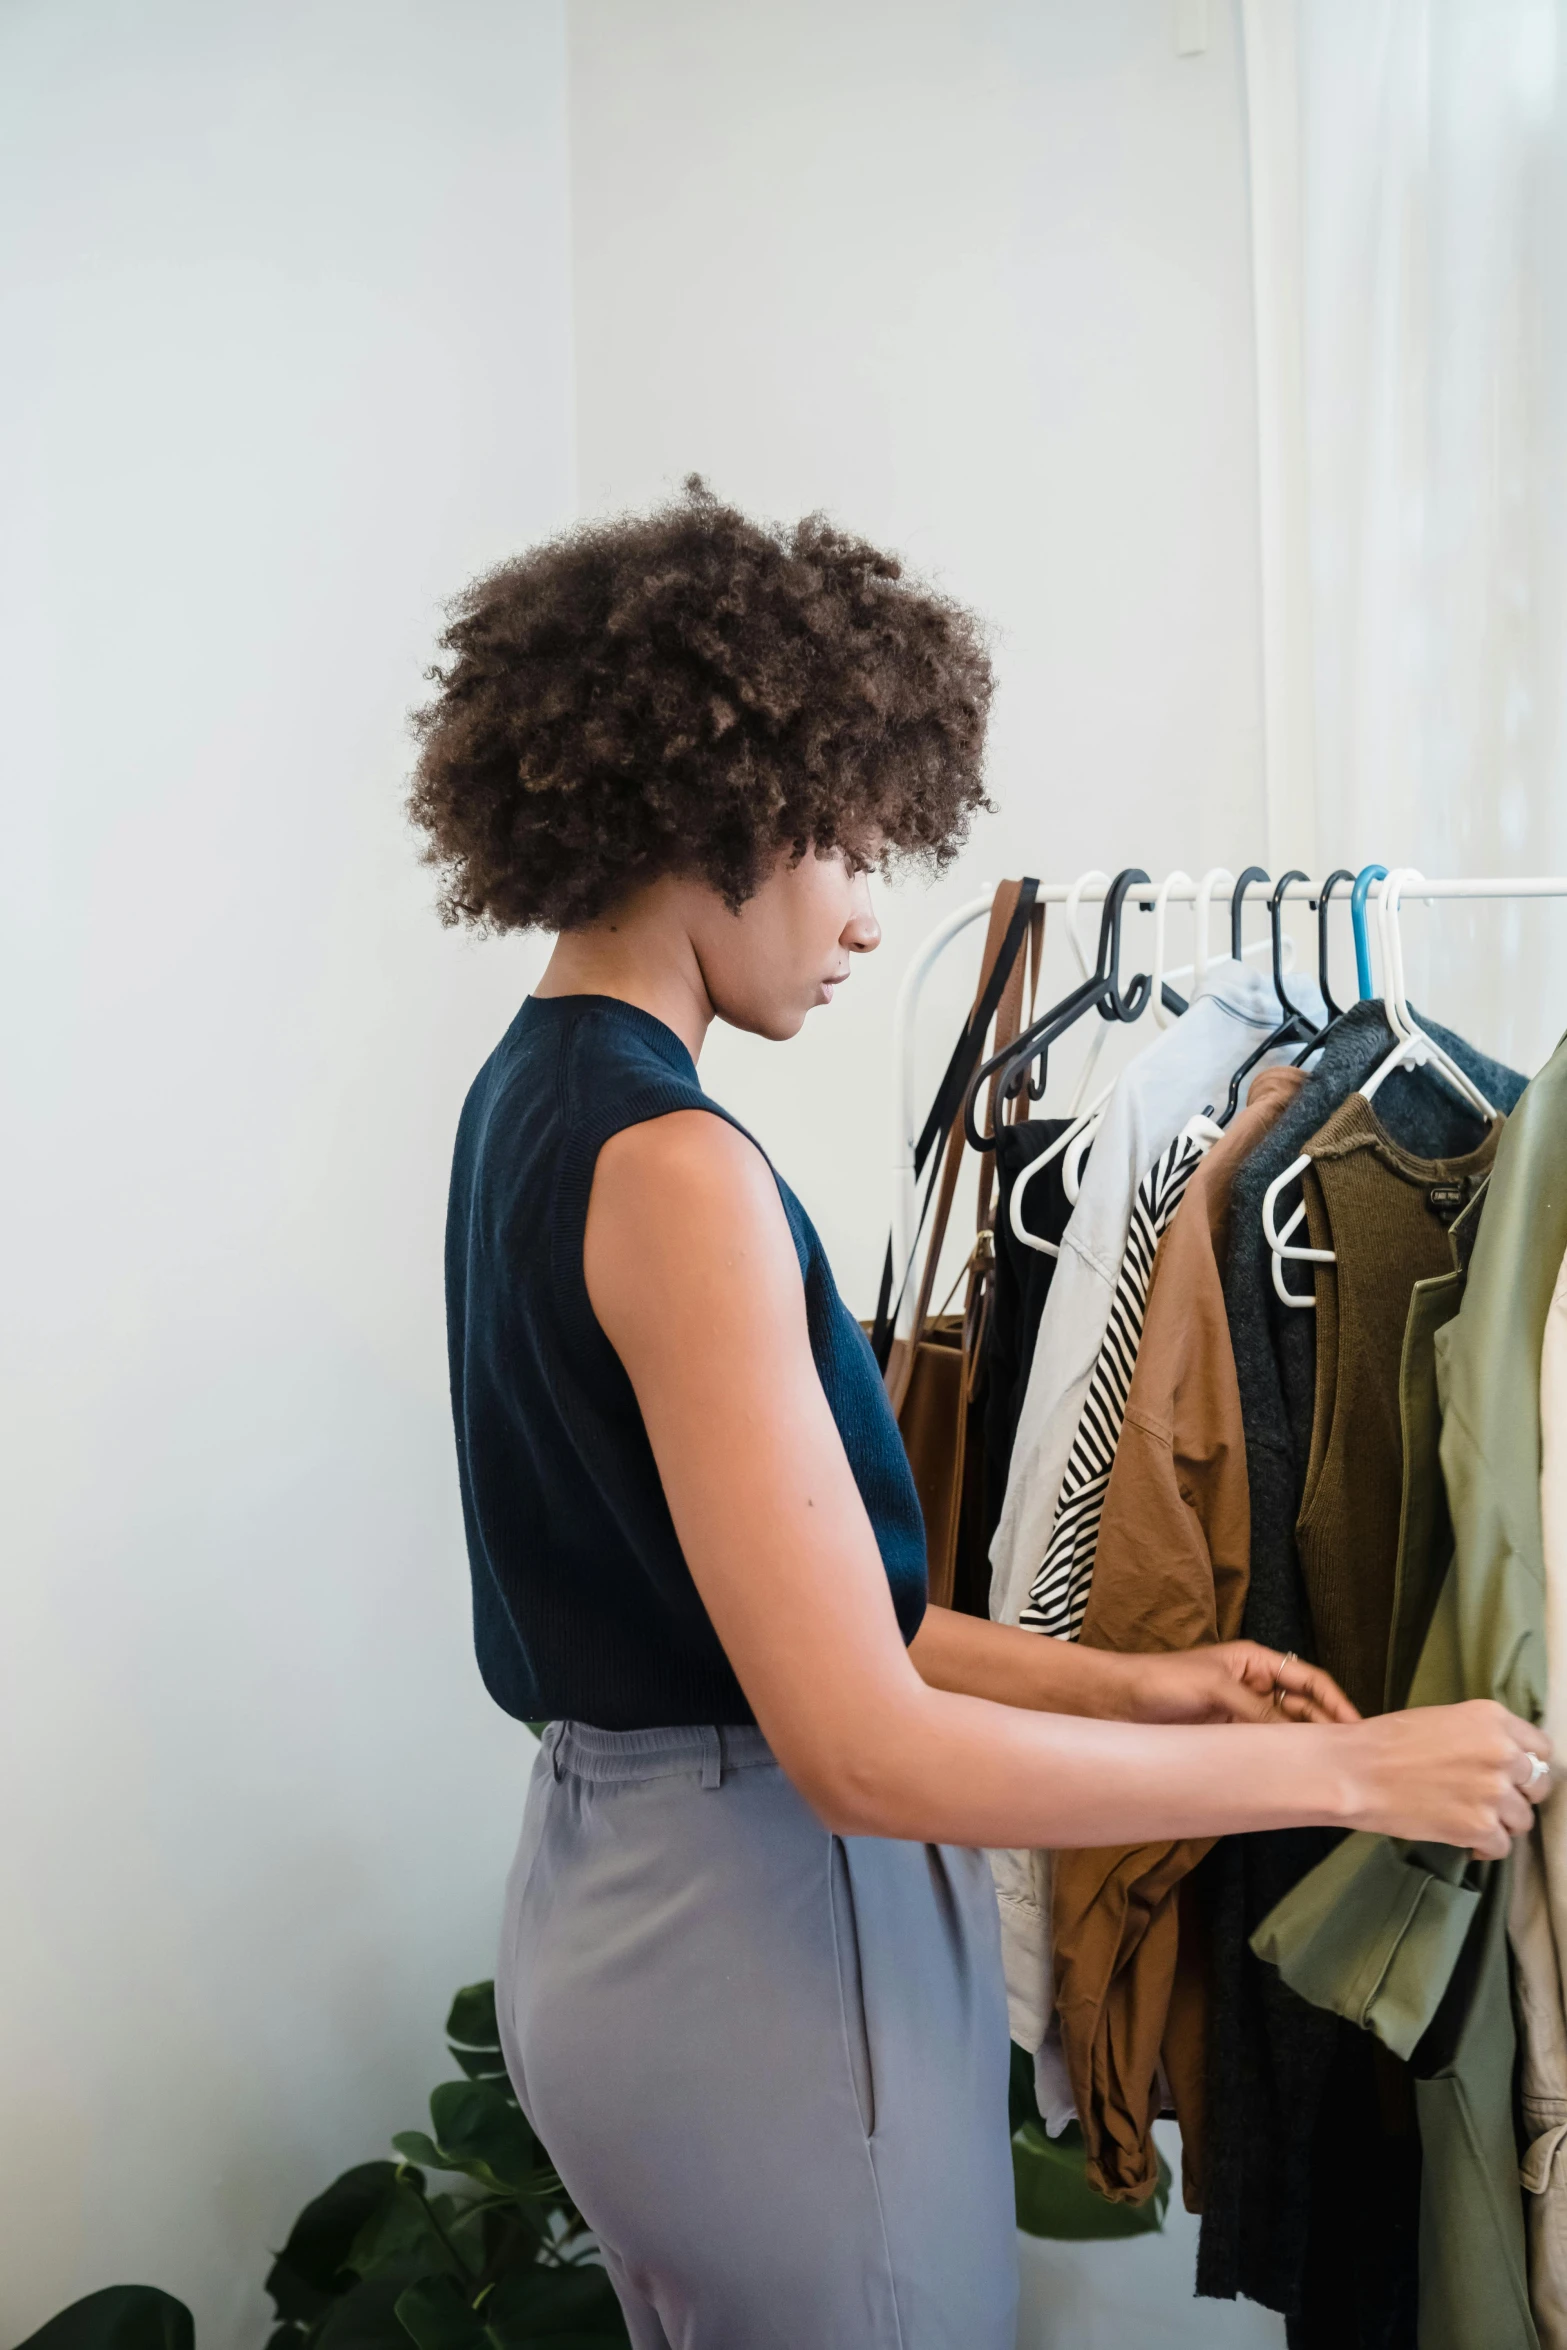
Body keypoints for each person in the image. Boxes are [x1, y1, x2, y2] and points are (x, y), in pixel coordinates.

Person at [411, 481, 1549, 2350]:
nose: (871, 912)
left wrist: (1135, 1679)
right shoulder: (678, 1168)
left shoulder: (531, 1099)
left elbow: (769, 1615)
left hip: (614, 1892)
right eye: (849, 842)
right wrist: (1354, 1774)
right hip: (766, 1927)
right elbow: (859, 1747)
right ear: (711, 807)